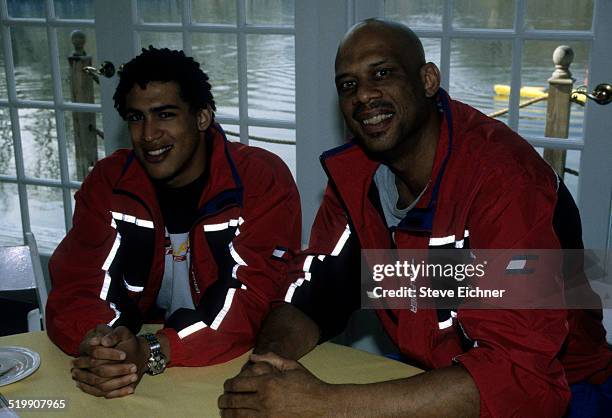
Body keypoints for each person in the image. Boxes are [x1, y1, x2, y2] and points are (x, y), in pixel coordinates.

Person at [218, 19, 611, 417]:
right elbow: (317, 294)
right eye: (348, 85)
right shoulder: (358, 179)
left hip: (567, 393)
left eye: (383, 73)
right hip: (442, 378)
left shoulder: (504, 180)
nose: (364, 95)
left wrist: (322, 403)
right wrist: (266, 368)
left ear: (428, 80)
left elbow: (520, 376)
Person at [46, 46, 301, 398]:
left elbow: (250, 301)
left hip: (229, 362)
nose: (149, 135)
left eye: (165, 114)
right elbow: (79, 283)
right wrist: (99, 340)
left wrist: (153, 348)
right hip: (131, 360)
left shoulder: (260, 179)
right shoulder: (108, 182)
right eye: (136, 118)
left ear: (201, 117)